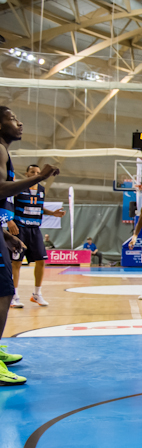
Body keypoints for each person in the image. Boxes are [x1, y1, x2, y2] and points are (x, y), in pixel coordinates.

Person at [0, 106, 60, 385]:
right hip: (19, 225)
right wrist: (38, 176)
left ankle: (35, 293)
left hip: (14, 230)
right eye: (12, 119)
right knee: (4, 291)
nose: (20, 122)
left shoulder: (4, 152)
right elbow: (0, 190)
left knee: (6, 288)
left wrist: (4, 232)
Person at [8, 164, 65, 307]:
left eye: (38, 172)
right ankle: (14, 296)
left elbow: (38, 207)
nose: (35, 174)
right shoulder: (18, 187)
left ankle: (37, 294)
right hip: (19, 228)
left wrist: (52, 213)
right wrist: (9, 221)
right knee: (17, 263)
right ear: (26, 174)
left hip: (35, 229)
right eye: (32, 172)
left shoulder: (41, 189)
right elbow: (6, 203)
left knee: (41, 261)